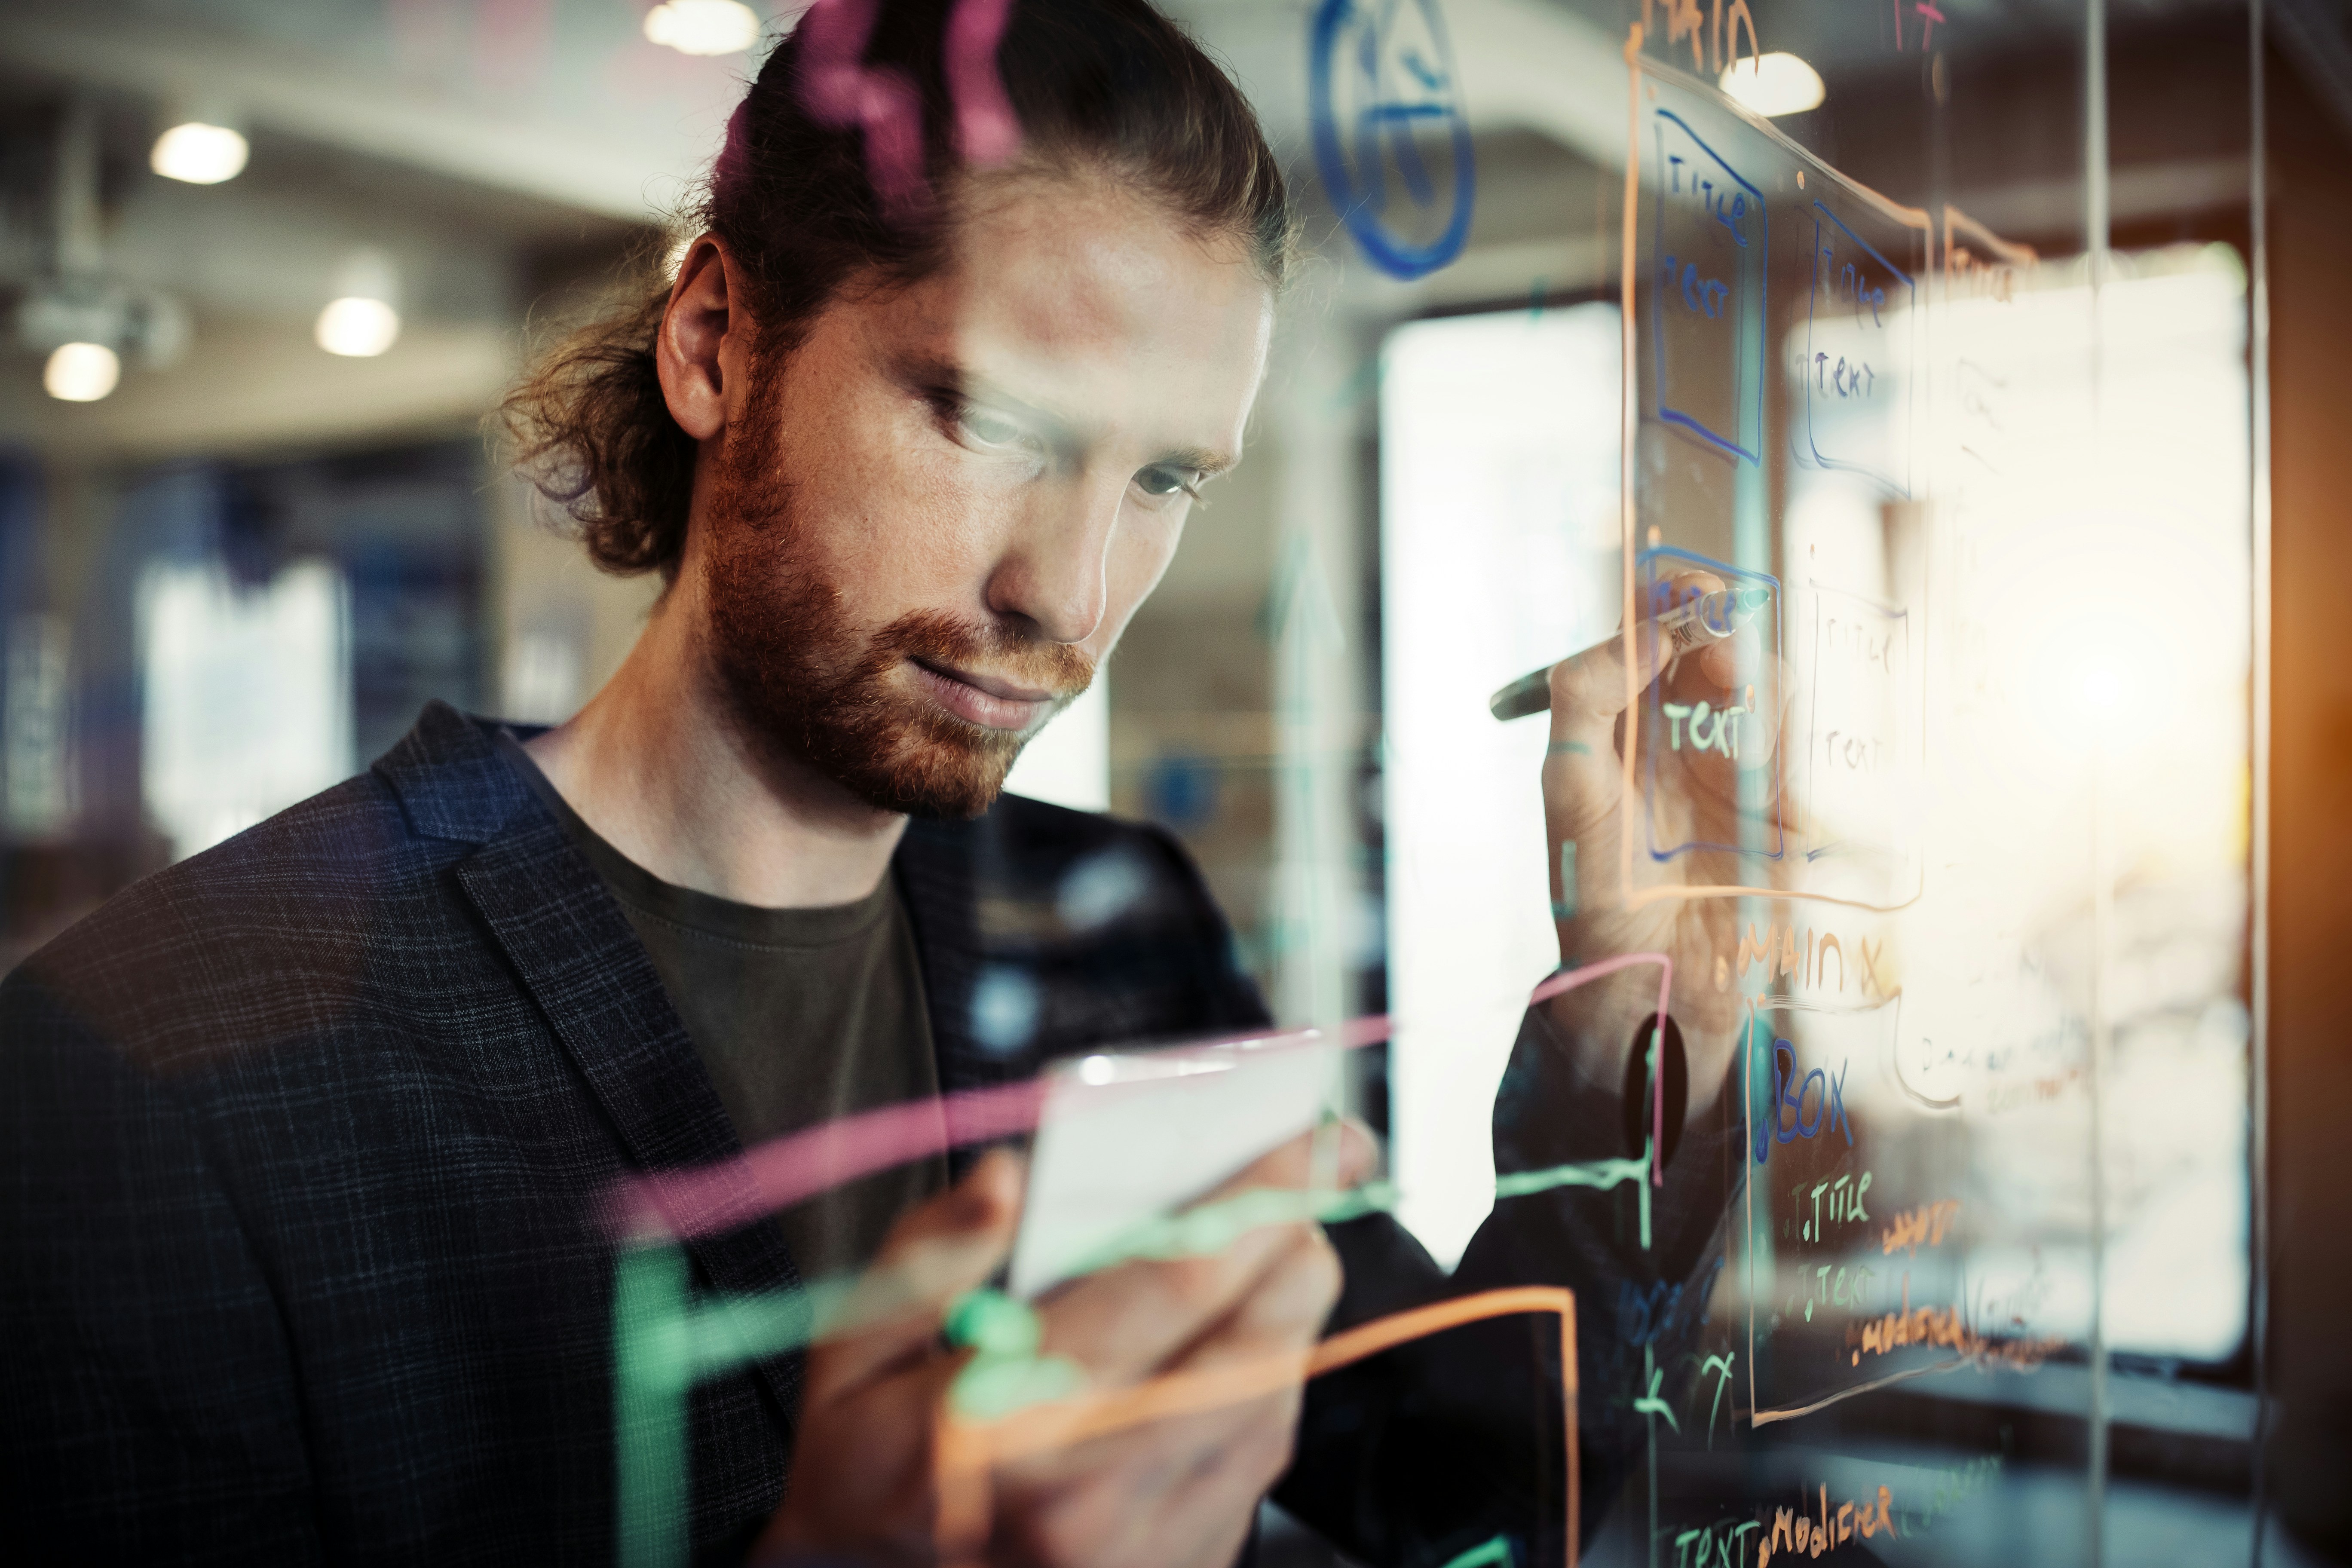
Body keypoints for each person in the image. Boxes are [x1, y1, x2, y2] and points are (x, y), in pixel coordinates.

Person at [0, 1, 1760, 1562]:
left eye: (1168, 481)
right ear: (714, 346)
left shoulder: (1117, 928)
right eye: (994, 422)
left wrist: (1618, 1031)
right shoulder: (144, 1065)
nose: (1068, 599)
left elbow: (1456, 1484)